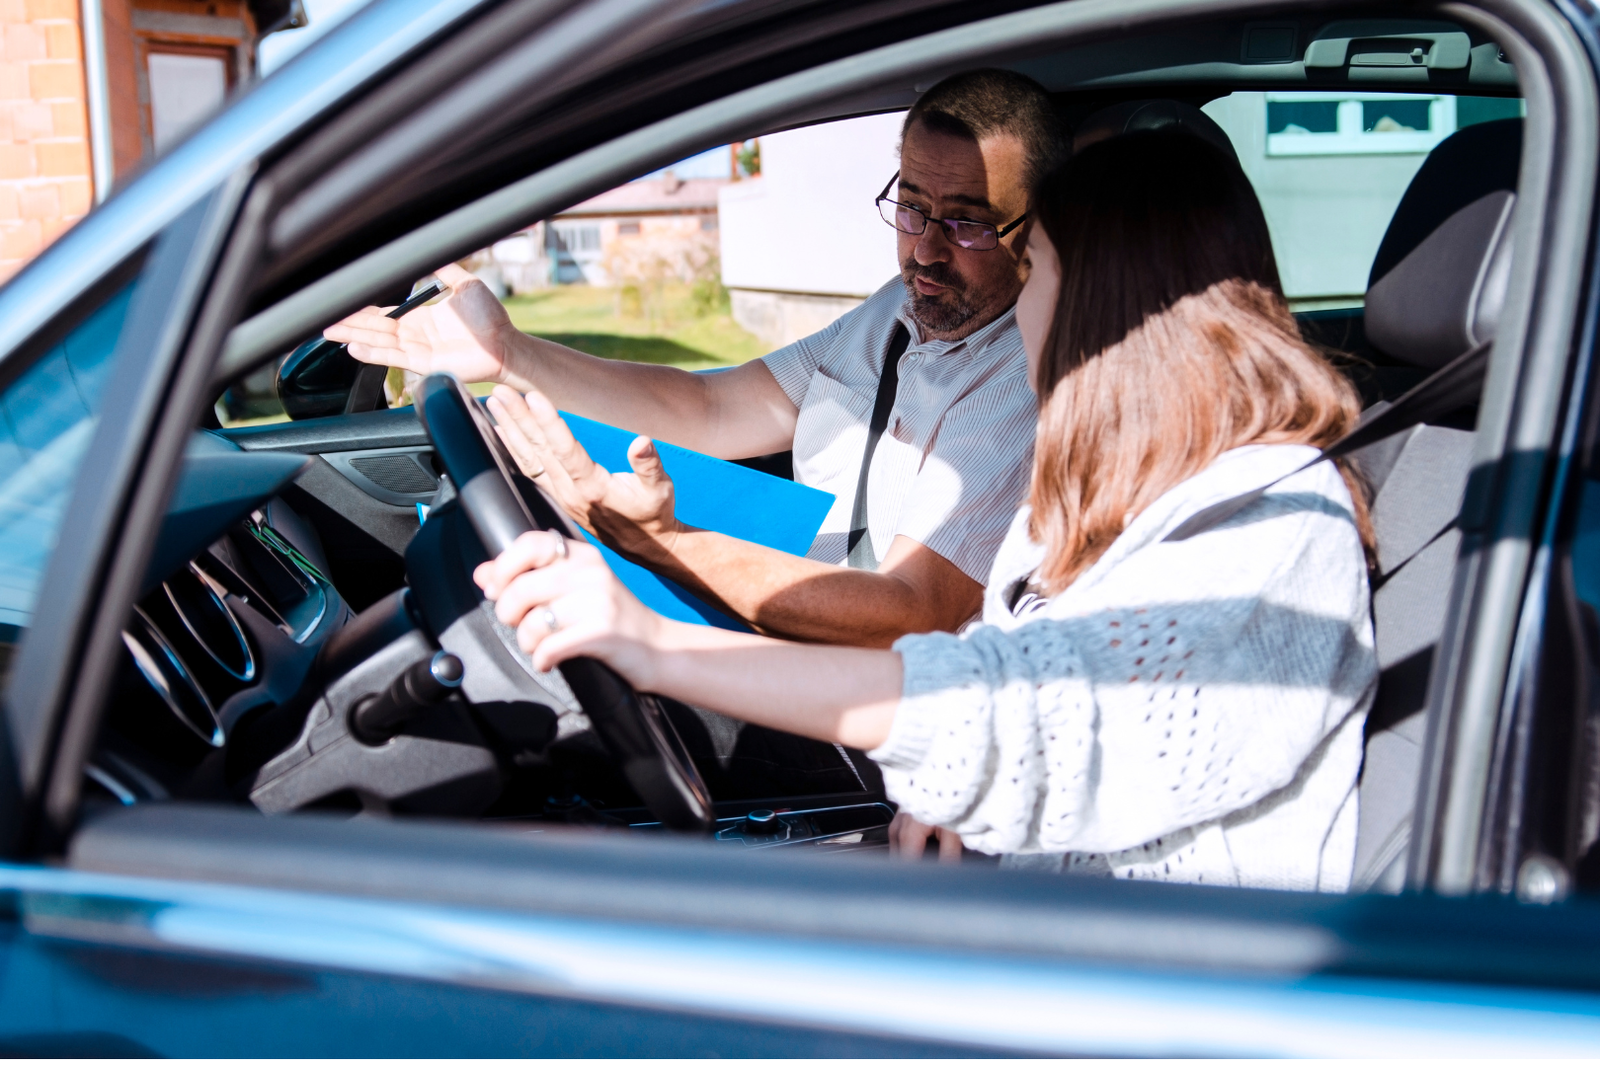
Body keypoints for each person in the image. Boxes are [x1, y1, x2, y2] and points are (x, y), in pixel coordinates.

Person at [470, 129, 1380, 889]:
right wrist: (938, 795)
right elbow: (1001, 679)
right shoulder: (1107, 494)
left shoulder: (1272, 521)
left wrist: (655, 642)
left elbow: (1018, 711)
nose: (1021, 309)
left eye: (1038, 271)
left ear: (1104, 305)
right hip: (1009, 904)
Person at [326, 69, 1065, 650]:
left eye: (968, 222)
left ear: (1041, 225)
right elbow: (709, 410)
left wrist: (667, 546)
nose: (925, 249)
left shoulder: (1029, 382)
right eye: (911, 207)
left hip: (871, 699)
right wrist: (509, 353)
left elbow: (913, 614)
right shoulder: (894, 311)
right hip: (796, 618)